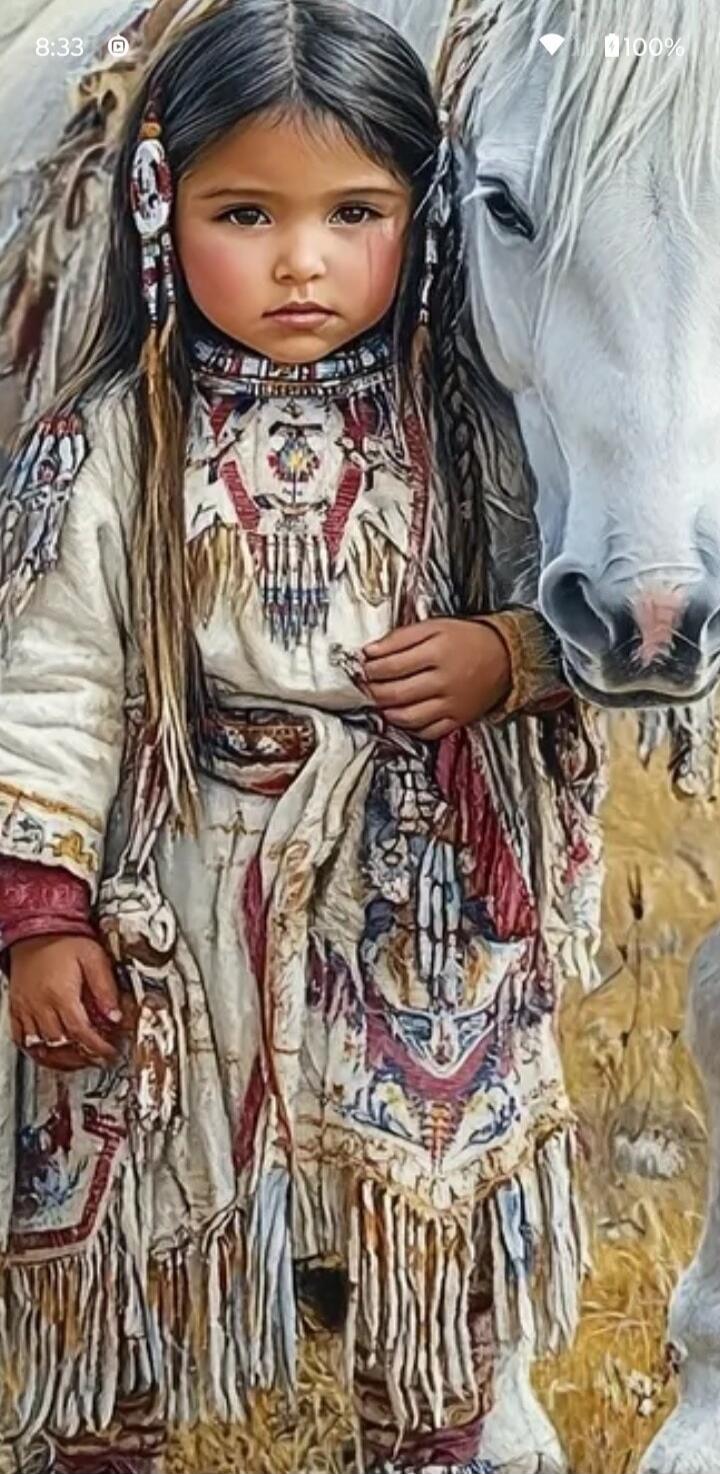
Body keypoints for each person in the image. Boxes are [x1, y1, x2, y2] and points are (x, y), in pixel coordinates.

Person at [0, 2, 601, 1470]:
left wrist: (506, 657)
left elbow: (571, 600)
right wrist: (40, 908)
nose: (299, 261)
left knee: (421, 1230)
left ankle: (427, 1440)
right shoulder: (116, 438)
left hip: (413, 901)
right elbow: (55, 679)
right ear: (160, 208)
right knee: (127, 1239)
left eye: (354, 212)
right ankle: (106, 1440)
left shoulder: (471, 430)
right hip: (184, 891)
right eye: (244, 212)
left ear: (424, 217)